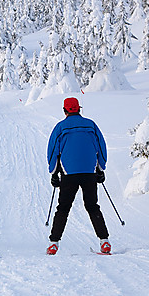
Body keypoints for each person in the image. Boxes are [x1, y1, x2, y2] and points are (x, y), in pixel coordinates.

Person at [46, 97, 110, 255]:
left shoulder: (60, 127)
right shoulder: (91, 125)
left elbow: (53, 151)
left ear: (65, 110)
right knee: (92, 206)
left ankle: (54, 243)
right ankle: (105, 241)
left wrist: (53, 173)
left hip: (69, 173)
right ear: (79, 109)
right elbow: (101, 147)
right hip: (89, 172)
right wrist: (101, 168)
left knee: (63, 208)